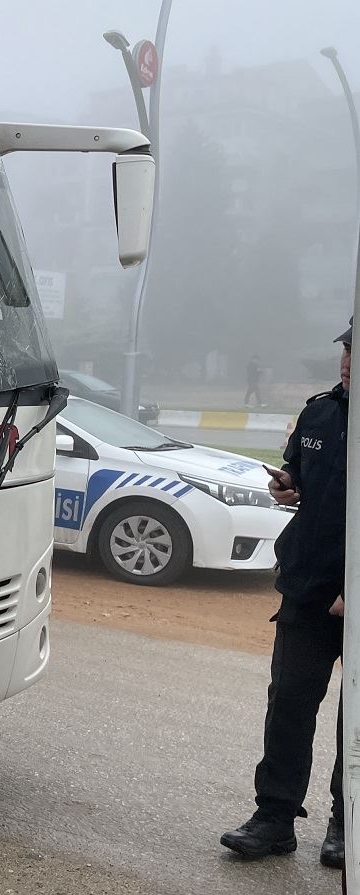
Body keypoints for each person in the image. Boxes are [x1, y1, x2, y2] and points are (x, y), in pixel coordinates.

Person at [221, 322, 349, 867]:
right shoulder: (319, 413)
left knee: (358, 720)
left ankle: (348, 825)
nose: (348, 358)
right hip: (306, 588)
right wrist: (286, 485)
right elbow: (298, 477)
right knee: (289, 705)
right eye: (347, 347)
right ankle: (275, 819)